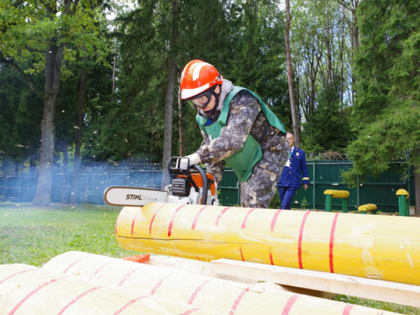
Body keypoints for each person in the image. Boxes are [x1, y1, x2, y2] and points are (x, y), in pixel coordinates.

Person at [178, 59, 288, 208]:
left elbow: (232, 141)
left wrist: (196, 157)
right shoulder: (202, 117)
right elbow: (214, 153)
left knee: (253, 200)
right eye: (195, 102)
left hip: (269, 151)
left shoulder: (242, 99)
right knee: (222, 198)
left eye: (202, 100)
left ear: (216, 89)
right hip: (246, 157)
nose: (200, 107)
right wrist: (210, 182)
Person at [277, 132, 309, 209]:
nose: (287, 140)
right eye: (286, 139)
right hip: (281, 181)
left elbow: (304, 168)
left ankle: (280, 219)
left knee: (283, 205)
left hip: (293, 182)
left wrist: (306, 181)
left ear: (294, 140)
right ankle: (288, 220)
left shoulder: (300, 152)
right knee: (286, 205)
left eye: (289, 139)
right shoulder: (279, 152)